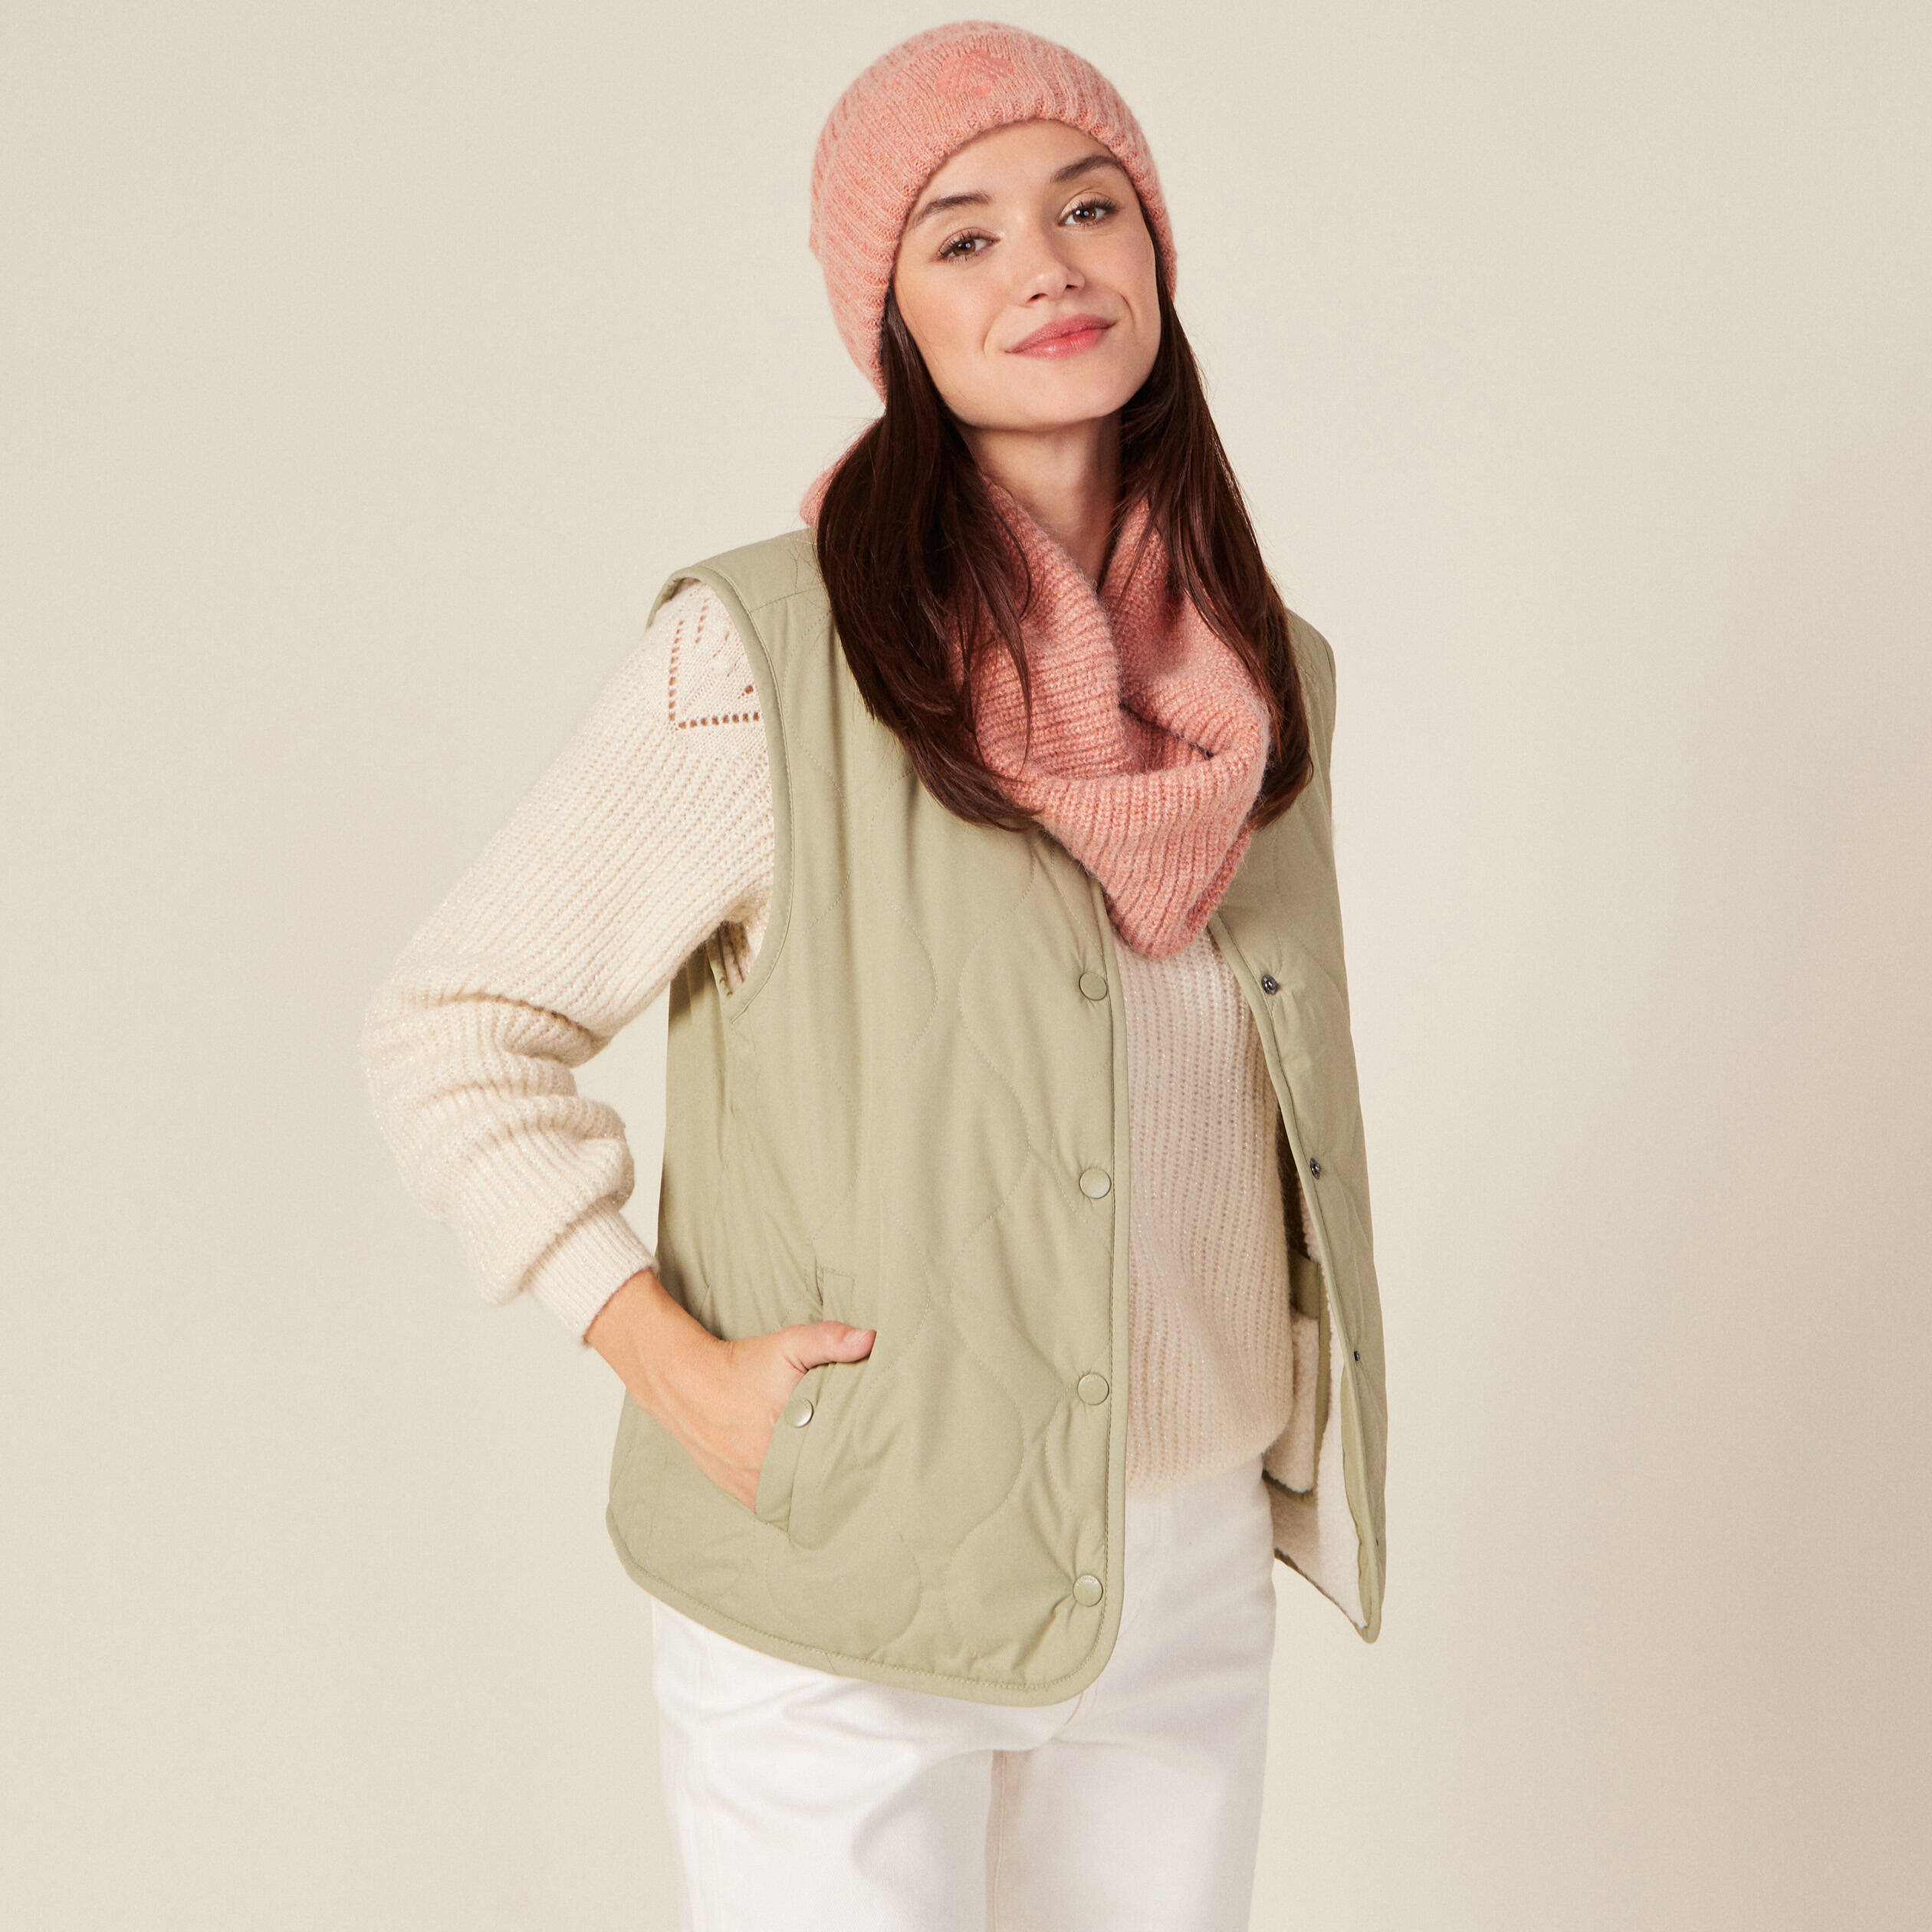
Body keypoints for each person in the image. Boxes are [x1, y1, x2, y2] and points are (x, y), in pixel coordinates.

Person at [361, 20, 1388, 1930]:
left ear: (1157, 248)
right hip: (849, 1576)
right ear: (888, 313)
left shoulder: (1266, 677)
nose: (1047, 267)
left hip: (1179, 1574)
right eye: (963, 235)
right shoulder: (763, 654)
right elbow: (457, 1027)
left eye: (1090, 207)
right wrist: (663, 1361)